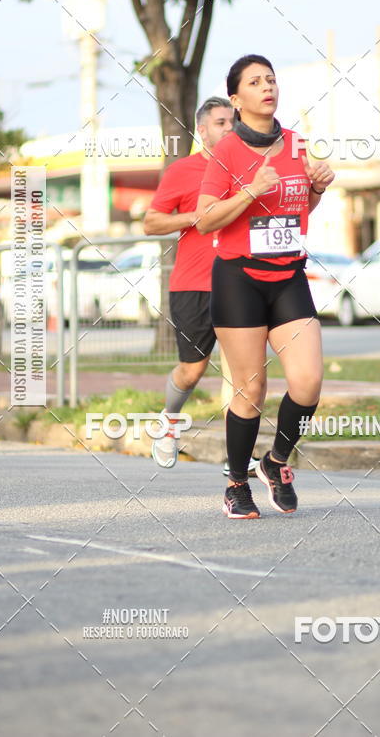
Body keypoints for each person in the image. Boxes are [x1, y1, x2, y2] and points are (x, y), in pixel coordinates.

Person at [197, 54, 335, 519]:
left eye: (271, 79)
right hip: (239, 278)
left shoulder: (296, 145)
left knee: (308, 380)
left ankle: (274, 462)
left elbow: (297, 217)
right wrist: (250, 191)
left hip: (288, 275)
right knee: (250, 389)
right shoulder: (227, 151)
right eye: (254, 82)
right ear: (236, 99)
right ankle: (236, 484)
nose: (266, 87)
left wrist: (315, 190)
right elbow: (204, 219)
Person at [143, 95, 259, 475]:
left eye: (233, 121)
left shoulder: (249, 169)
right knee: (191, 371)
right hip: (192, 285)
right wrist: (198, 216)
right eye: (222, 122)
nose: (230, 127)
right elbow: (152, 222)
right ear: (204, 130)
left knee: (240, 372)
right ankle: (168, 423)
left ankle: (235, 457)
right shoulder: (182, 171)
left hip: (239, 280)